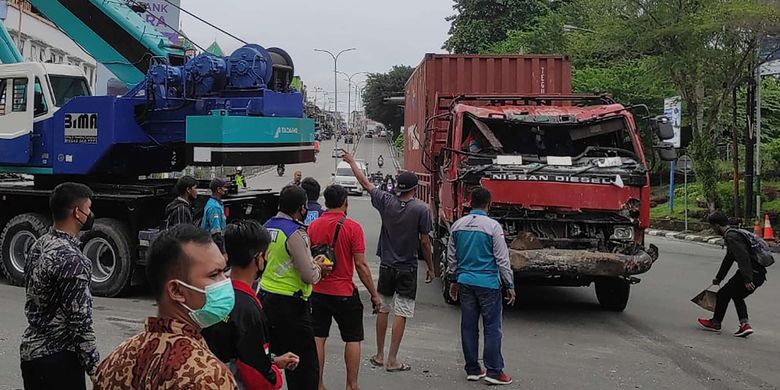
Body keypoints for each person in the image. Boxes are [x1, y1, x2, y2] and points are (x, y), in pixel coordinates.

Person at [93, 224, 237, 389]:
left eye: (223, 271)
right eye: (214, 275)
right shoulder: (209, 377)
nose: (225, 281)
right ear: (176, 290)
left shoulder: (115, 361)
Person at [342, 152, 434, 373]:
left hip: (386, 265)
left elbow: (365, 182)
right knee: (401, 311)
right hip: (408, 267)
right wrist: (431, 267)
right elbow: (424, 241)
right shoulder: (422, 209)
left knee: (383, 308)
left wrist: (352, 161)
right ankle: (393, 359)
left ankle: (380, 354)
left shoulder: (386, 201)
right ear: (414, 188)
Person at [203, 220, 300, 390]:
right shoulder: (248, 309)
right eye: (266, 254)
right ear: (258, 258)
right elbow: (257, 376)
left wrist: (273, 361)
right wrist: (274, 373)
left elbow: (235, 351)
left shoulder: (214, 295)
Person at [20, 182, 99, 390]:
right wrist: (94, 368)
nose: (90, 214)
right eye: (89, 208)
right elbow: (79, 321)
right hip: (59, 361)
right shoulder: (73, 259)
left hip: (31, 353)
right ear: (77, 212)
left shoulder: (39, 244)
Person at [308, 184, 383, 390]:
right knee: (353, 338)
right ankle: (351, 384)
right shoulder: (352, 227)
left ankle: (319, 383)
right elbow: (360, 265)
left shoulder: (313, 226)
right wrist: (374, 295)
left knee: (318, 337)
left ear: (326, 202)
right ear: (345, 202)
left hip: (318, 291)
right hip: (344, 292)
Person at [260, 185, 332, 389]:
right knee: (303, 366)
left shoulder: (267, 226)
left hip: (266, 298)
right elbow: (309, 275)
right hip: (291, 304)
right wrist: (318, 267)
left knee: (268, 358)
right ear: (302, 208)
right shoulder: (295, 233)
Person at [446, 187, 515, 385]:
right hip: (488, 285)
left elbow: (452, 258)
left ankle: (473, 369)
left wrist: (454, 281)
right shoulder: (493, 227)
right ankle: (494, 371)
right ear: (489, 204)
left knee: (468, 326)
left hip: (465, 283)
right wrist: (509, 284)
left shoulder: (458, 225)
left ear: (469, 202)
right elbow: (502, 259)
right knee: (492, 327)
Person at [698, 211, 768, 337]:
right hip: (758, 273)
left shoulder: (731, 237)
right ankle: (744, 325)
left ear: (717, 225)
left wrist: (747, 279)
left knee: (723, 294)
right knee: (736, 296)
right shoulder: (733, 234)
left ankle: (716, 322)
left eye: (712, 227)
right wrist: (719, 278)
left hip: (750, 273)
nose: (712, 229)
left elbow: (743, 257)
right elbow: (729, 259)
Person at [201, 177, 228, 252]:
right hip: (211, 247)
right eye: (224, 187)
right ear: (219, 190)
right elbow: (216, 234)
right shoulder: (214, 207)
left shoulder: (216, 204)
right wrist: (223, 252)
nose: (226, 190)